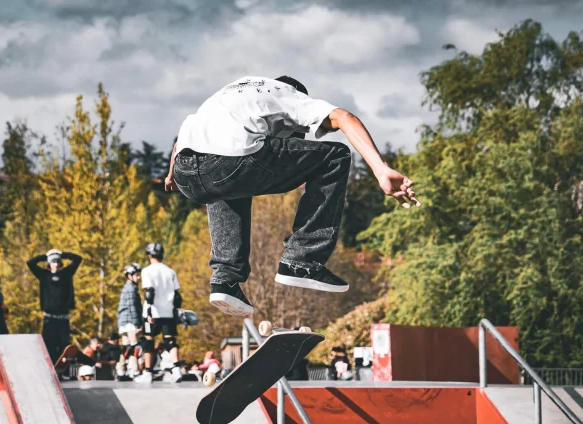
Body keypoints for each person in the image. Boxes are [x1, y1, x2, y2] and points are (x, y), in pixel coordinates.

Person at [166, 76, 421, 316]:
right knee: (335, 155)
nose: (295, 139)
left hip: (185, 170)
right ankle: (303, 259)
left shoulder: (232, 95)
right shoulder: (288, 95)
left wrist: (171, 176)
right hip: (228, 162)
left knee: (230, 181)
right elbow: (344, 117)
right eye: (295, 133)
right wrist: (380, 169)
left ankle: (224, 280)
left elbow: (180, 146)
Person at [136, 243, 183, 384]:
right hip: (168, 312)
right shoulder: (170, 271)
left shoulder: (147, 271)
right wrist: (175, 311)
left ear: (149, 256)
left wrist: (149, 310)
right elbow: (177, 296)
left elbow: (149, 292)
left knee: (148, 341)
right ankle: (176, 369)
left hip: (153, 312)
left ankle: (148, 373)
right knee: (170, 340)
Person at [26, 249, 83, 368]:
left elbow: (78, 259)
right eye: (53, 262)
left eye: (57, 262)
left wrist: (62, 254)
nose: (56, 265)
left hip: (63, 317)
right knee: (49, 344)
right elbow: (30, 263)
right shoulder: (43, 275)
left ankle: (63, 368)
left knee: (64, 345)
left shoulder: (66, 273)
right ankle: (49, 367)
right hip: (49, 318)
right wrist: (45, 255)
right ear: (49, 264)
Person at [116, 263, 143, 378]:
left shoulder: (127, 287)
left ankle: (121, 368)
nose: (139, 277)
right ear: (129, 275)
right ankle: (134, 370)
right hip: (130, 321)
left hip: (123, 321)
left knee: (126, 347)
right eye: (136, 275)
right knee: (135, 346)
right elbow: (132, 307)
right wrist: (137, 324)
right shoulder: (131, 288)